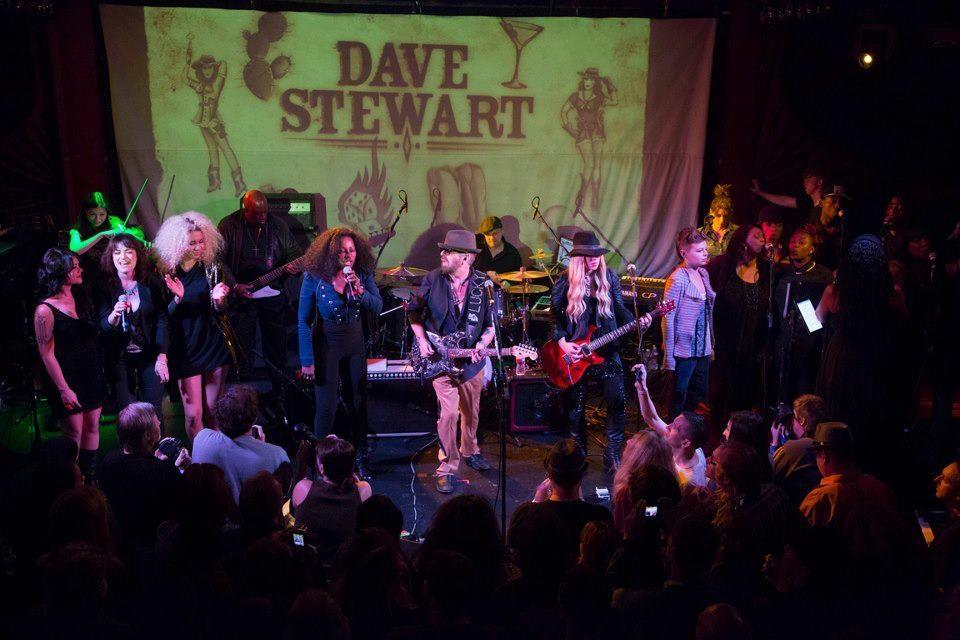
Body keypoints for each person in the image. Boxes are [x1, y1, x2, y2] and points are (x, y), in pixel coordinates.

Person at [407, 229, 496, 493]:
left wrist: (482, 345)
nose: (443, 254)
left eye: (449, 251)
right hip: (439, 358)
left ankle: (470, 450)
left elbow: (490, 326)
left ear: (467, 257)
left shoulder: (483, 285)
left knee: (471, 412)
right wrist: (422, 341)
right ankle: (447, 466)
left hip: (471, 361)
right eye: (443, 250)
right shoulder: (433, 279)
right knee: (448, 414)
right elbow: (413, 312)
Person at [550, 231, 645, 473]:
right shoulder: (564, 281)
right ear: (577, 258)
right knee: (575, 409)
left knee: (617, 401)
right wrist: (563, 343)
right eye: (588, 255)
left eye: (597, 255)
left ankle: (612, 454)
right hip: (577, 354)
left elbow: (620, 310)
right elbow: (555, 319)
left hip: (606, 350)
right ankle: (578, 454)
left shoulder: (609, 277)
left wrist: (637, 322)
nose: (594, 259)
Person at [816, 234, 909, 473]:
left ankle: (838, 465)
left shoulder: (835, 292)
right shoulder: (893, 294)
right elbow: (906, 327)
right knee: (872, 413)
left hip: (843, 359)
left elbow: (816, 322)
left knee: (841, 412)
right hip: (878, 358)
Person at [298, 227, 381, 478]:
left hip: (354, 344)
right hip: (327, 345)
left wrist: (361, 291)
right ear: (331, 253)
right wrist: (307, 359)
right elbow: (303, 320)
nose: (348, 255)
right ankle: (319, 462)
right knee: (326, 407)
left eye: (352, 250)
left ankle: (361, 456)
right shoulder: (314, 276)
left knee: (358, 403)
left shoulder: (362, 274)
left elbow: (377, 306)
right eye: (342, 251)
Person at [153, 211, 232, 439]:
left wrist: (219, 300)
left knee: (214, 411)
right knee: (193, 415)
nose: (198, 247)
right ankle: (199, 457)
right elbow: (163, 317)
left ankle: (215, 456)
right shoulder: (166, 274)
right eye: (192, 243)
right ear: (178, 244)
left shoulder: (212, 269)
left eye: (201, 241)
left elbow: (223, 311)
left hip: (213, 345)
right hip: (185, 350)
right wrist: (177, 299)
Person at [218, 189, 300, 401]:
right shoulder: (228, 225)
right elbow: (218, 260)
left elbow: (294, 253)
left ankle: (280, 394)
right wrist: (234, 285)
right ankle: (238, 397)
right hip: (240, 295)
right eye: (256, 214)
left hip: (272, 293)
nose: (262, 217)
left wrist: (292, 267)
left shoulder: (278, 225)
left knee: (276, 346)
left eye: (265, 213)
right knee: (241, 346)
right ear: (244, 210)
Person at [34, 248, 105, 482]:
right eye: (74, 267)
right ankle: (71, 482)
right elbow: (46, 354)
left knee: (92, 426)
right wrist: (64, 389)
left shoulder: (82, 297)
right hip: (66, 377)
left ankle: (90, 479)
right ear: (60, 271)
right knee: (74, 429)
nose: (80, 270)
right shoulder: (45, 310)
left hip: (90, 373)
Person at [799, 422, 901, 561]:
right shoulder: (879, 487)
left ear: (825, 456)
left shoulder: (820, 499)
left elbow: (800, 551)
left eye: (817, 454)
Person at [98, 234, 170, 426]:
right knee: (126, 414)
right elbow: (103, 326)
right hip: (119, 357)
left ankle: (157, 445)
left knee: (154, 412)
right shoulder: (104, 285)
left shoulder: (151, 281)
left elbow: (162, 319)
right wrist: (114, 314)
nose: (123, 257)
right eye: (117, 252)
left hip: (150, 354)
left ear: (138, 255)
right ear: (111, 257)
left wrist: (162, 357)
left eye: (129, 251)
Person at [98, 402, 185, 549]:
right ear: (147, 435)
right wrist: (181, 469)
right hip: (155, 546)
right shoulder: (163, 471)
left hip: (120, 545)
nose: (159, 423)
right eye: (156, 421)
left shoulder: (108, 462)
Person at [707, 224, 771, 414]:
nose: (762, 239)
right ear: (742, 240)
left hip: (751, 346)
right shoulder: (722, 265)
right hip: (723, 343)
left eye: (763, 237)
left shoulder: (767, 269)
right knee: (719, 394)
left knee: (744, 397)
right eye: (756, 236)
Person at [192, 384, 289, 503]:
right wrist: (261, 447)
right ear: (254, 418)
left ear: (219, 414)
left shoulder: (201, 438)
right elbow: (278, 499)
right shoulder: (277, 455)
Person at [771, 224, 834, 403]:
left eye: (801, 242)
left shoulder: (823, 275)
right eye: (793, 242)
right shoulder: (782, 272)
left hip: (809, 343)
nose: (795, 246)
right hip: (783, 341)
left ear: (812, 249)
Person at [522, 438, 613, 559]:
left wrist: (536, 504)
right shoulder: (600, 517)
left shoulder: (526, 515)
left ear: (549, 474)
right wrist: (582, 502)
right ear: (582, 474)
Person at [662, 227, 715, 418]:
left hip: (702, 349)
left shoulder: (703, 274)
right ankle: (674, 431)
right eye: (699, 250)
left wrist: (711, 345)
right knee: (679, 395)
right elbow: (668, 320)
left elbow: (708, 315)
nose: (705, 253)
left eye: (705, 249)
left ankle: (690, 430)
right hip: (684, 351)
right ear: (684, 253)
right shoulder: (677, 279)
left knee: (699, 393)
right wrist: (669, 357)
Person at [291, 435, 371, 560]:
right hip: (346, 563)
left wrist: (301, 464)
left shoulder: (303, 488)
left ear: (322, 468)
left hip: (309, 563)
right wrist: (338, 452)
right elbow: (356, 483)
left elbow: (293, 508)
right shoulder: (363, 490)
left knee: (291, 523)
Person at [183, 41, 246, 197]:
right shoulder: (199, 85)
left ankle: (240, 183)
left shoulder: (217, 83)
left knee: (226, 148)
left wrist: (215, 64)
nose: (207, 70)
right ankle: (215, 181)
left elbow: (223, 65)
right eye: (204, 68)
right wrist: (188, 61)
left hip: (214, 121)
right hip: (202, 121)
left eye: (210, 67)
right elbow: (184, 78)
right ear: (200, 70)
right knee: (212, 149)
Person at [633, 364, 709, 489]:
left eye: (676, 428)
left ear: (685, 442)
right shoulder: (695, 450)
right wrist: (642, 388)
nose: (668, 426)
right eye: (673, 422)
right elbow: (652, 418)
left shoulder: (686, 482)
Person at [561, 67, 618, 210]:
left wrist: (609, 84)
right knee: (589, 164)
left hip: (597, 130)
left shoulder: (598, 98)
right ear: (583, 80)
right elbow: (563, 112)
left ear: (595, 83)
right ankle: (581, 194)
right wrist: (569, 129)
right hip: (584, 132)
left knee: (597, 164)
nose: (588, 82)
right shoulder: (575, 96)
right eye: (586, 79)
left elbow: (615, 101)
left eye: (592, 80)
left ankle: (595, 197)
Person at [68, 191, 145, 280]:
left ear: (107, 213)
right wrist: (101, 235)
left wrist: (125, 231)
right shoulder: (77, 230)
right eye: (92, 214)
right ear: (85, 213)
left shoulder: (113, 221)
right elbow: (75, 249)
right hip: (90, 274)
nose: (98, 219)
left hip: (113, 274)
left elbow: (139, 235)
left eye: (102, 214)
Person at [771, 394, 827, 503]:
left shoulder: (794, 447)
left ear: (803, 422)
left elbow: (775, 473)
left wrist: (775, 446)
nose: (791, 420)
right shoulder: (828, 444)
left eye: (794, 417)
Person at [751, 166, 826, 239]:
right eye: (804, 179)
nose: (804, 183)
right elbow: (783, 200)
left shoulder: (828, 204)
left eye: (809, 178)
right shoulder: (807, 203)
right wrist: (760, 193)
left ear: (820, 182)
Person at [809, 186, 848, 270]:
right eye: (833, 201)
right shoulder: (810, 231)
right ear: (821, 203)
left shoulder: (845, 231)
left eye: (840, 202)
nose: (837, 205)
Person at [698, 184, 739, 258]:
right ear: (711, 212)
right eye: (718, 215)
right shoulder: (700, 234)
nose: (722, 221)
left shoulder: (737, 232)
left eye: (726, 216)